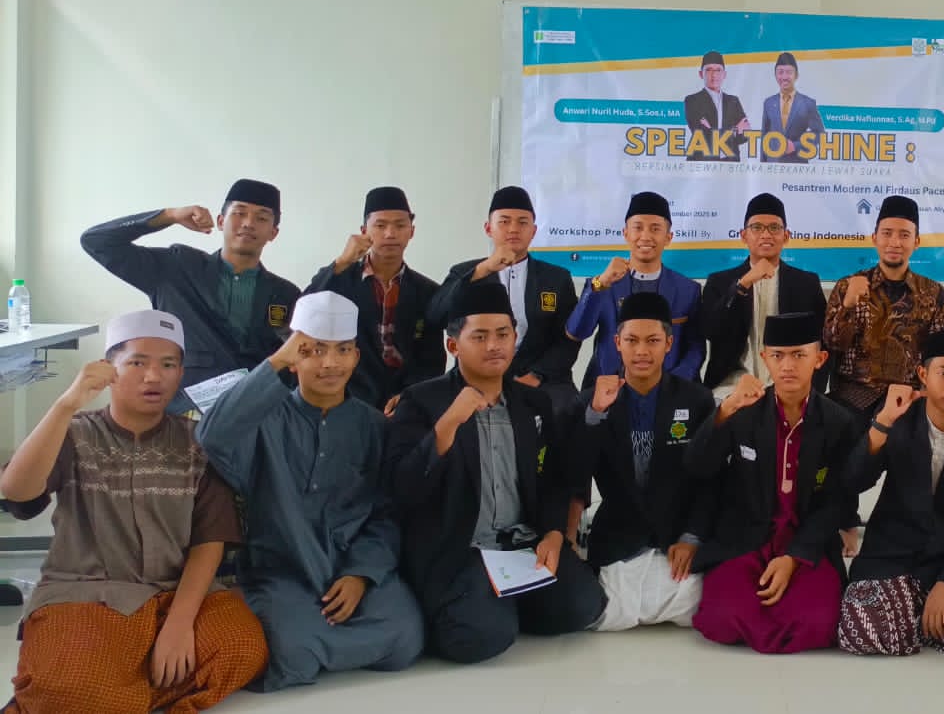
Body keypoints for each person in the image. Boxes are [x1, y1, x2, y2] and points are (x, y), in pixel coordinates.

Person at [0, 311, 267, 713]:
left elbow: (209, 539)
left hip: (173, 593)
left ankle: (112, 691)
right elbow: (16, 491)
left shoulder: (198, 442)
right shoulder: (74, 433)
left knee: (243, 649)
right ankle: (108, 688)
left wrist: (179, 625)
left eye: (168, 365)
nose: (153, 377)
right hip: (85, 595)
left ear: (181, 374)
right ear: (110, 369)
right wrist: (65, 404)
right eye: (138, 362)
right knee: (70, 685)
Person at [196, 292, 424, 690]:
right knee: (292, 653)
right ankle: (317, 639)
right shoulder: (263, 419)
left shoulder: (373, 427)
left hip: (350, 566)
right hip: (282, 572)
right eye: (314, 350)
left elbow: (384, 513)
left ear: (356, 356)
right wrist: (275, 363)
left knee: (405, 638)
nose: (330, 363)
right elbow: (212, 436)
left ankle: (325, 640)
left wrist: (361, 575)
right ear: (293, 355)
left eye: (342, 350)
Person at [385, 282, 605, 664]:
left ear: (515, 338)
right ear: (453, 345)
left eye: (503, 334)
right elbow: (402, 489)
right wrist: (448, 424)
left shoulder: (533, 402)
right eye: (480, 336)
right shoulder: (421, 402)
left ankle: (498, 603)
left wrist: (554, 534)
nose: (494, 345)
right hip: (460, 549)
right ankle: (482, 606)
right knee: (480, 638)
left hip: (520, 546)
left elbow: (552, 477)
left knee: (585, 605)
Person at [836, 328, 944, 666]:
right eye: (943, 374)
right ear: (923, 374)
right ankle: (925, 619)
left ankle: (919, 614)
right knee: (859, 631)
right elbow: (853, 481)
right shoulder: (898, 419)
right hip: (894, 557)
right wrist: (882, 424)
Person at [685, 313, 857, 654]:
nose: (787, 366)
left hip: (806, 542)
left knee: (818, 621)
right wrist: (725, 410)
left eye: (799, 355)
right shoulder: (744, 411)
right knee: (723, 616)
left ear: (819, 359)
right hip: (746, 537)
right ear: (765, 358)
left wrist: (794, 557)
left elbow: (837, 501)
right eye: (778, 355)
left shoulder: (839, 422)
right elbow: (697, 466)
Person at [575, 293, 716, 631]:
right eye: (632, 340)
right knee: (604, 607)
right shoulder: (592, 400)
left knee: (705, 601)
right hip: (619, 534)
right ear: (617, 343)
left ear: (668, 343)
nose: (641, 351)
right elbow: (575, 470)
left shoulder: (696, 399)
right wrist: (594, 415)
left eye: (652, 341)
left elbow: (710, 478)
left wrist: (692, 537)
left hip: (677, 534)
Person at [80, 179, 300, 389]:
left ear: (273, 233)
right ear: (221, 221)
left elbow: (293, 358)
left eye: (261, 218)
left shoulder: (285, 293)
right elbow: (97, 242)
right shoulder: (175, 268)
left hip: (256, 404)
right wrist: (170, 215)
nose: (248, 223)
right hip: (183, 405)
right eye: (239, 213)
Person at [431, 185, 581, 413]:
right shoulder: (465, 273)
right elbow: (436, 316)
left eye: (522, 222)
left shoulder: (556, 278)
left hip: (540, 377)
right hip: (475, 376)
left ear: (534, 230)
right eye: (504, 221)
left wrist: (536, 376)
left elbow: (568, 339)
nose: (513, 229)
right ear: (488, 228)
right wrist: (482, 271)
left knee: (567, 410)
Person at [304, 186, 445, 411]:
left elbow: (432, 358)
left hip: (407, 405)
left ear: (412, 231)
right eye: (380, 225)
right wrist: (341, 262)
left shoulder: (427, 291)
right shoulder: (340, 280)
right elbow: (303, 313)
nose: (390, 234)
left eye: (400, 225)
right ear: (364, 231)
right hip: (345, 400)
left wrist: (411, 396)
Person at [824, 194, 944, 418]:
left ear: (916, 242)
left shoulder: (933, 293)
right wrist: (848, 305)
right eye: (887, 233)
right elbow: (832, 344)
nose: (895, 242)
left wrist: (926, 394)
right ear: (875, 238)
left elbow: (938, 355)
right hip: (852, 396)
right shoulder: (848, 286)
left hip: (909, 398)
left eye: (904, 235)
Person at [567, 190, 705, 387]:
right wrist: (600, 284)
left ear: (668, 237)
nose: (645, 236)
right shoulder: (603, 283)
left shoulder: (688, 290)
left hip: (669, 390)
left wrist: (673, 386)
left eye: (655, 229)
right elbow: (576, 332)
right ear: (626, 234)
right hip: (610, 388)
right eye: (638, 228)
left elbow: (696, 349)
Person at [700, 193, 826, 402]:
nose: (766, 234)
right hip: (731, 386)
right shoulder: (720, 281)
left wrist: (814, 393)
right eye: (757, 228)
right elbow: (711, 330)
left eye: (774, 228)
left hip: (790, 389)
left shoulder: (806, 283)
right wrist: (743, 284)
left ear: (786, 236)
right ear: (743, 236)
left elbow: (822, 342)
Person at [684, 50, 748, 162]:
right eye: (708, 70)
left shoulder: (733, 101)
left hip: (730, 163)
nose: (714, 75)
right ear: (701, 74)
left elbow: (743, 137)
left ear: (724, 74)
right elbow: (702, 134)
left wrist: (711, 129)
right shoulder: (692, 100)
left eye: (718, 70)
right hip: (701, 163)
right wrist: (734, 131)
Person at [760, 52, 823, 163]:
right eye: (780, 72)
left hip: (797, 165)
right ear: (775, 75)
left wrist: (795, 146)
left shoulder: (807, 103)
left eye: (789, 72)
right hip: (773, 165)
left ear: (796, 75)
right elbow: (764, 136)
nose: (784, 77)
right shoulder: (768, 103)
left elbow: (819, 134)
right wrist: (763, 166)